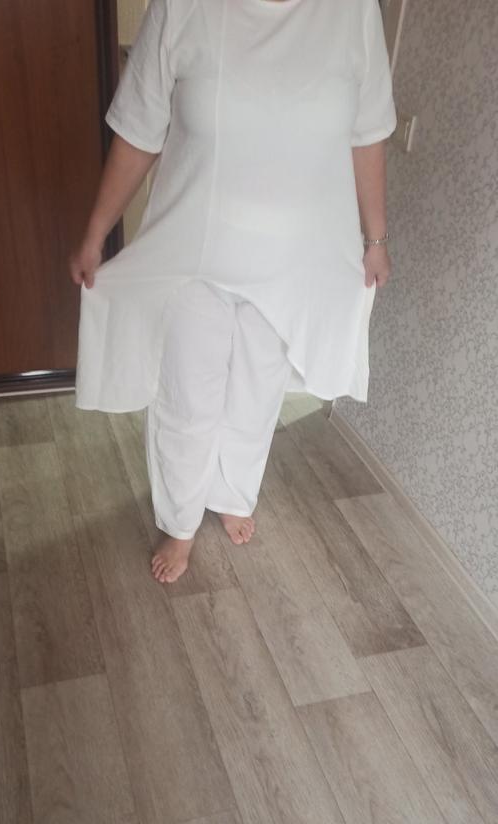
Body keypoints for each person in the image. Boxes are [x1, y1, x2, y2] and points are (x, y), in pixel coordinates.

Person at [70, 0, 397, 583]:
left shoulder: (353, 12)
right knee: (188, 397)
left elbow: (367, 134)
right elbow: (140, 129)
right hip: (195, 251)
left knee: (256, 393)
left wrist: (375, 238)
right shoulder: (182, 6)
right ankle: (180, 520)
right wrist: (96, 233)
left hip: (296, 257)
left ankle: (232, 491)